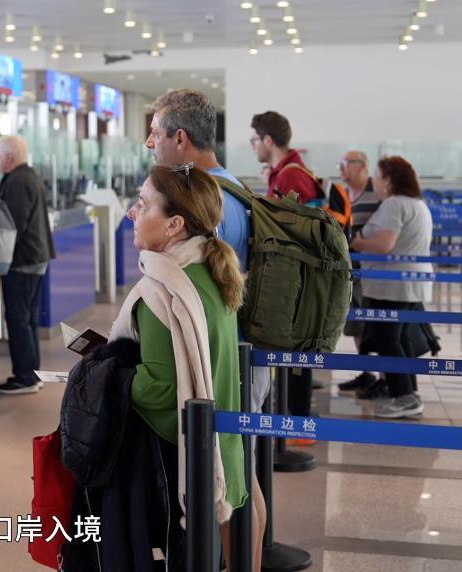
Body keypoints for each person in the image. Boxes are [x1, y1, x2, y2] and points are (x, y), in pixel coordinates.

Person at [144, 88, 265, 571]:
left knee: (233, 484)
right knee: (238, 478)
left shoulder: (211, 198)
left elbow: (205, 293)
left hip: (226, 361)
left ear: (180, 137)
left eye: (155, 132)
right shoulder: (224, 186)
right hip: (229, 355)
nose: (149, 142)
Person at [109, 164, 247, 561]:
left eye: (143, 203)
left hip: (178, 462)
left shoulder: (165, 291)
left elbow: (162, 389)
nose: (132, 213)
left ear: (174, 225)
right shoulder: (211, 270)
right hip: (224, 452)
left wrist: (109, 375)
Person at [349, 156, 432, 418]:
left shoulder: (394, 204)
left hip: (392, 286)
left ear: (388, 179)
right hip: (409, 284)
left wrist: (359, 243)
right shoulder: (416, 204)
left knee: (388, 340)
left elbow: (384, 244)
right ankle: (410, 395)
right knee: (401, 339)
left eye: (377, 175)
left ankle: (402, 396)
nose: (374, 180)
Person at [250, 110, 315, 420]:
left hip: (296, 275)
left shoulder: (290, 176)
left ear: (268, 140)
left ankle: (298, 422)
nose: (253, 146)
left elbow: (294, 232)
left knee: (296, 352)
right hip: (293, 273)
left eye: (254, 140)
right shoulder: (285, 173)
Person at [0, 135, 56, 395]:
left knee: (18, 319)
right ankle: (31, 373)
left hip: (23, 259)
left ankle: (25, 377)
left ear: (9, 157)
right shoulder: (28, 176)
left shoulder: (17, 181)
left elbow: (12, 225)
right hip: (35, 256)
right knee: (27, 318)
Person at [337, 150, 383, 393]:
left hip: (376, 271)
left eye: (346, 163)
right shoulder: (343, 194)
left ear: (363, 166)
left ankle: (385, 378)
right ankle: (366, 373)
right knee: (356, 323)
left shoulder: (378, 191)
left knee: (378, 325)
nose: (341, 168)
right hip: (352, 269)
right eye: (340, 163)